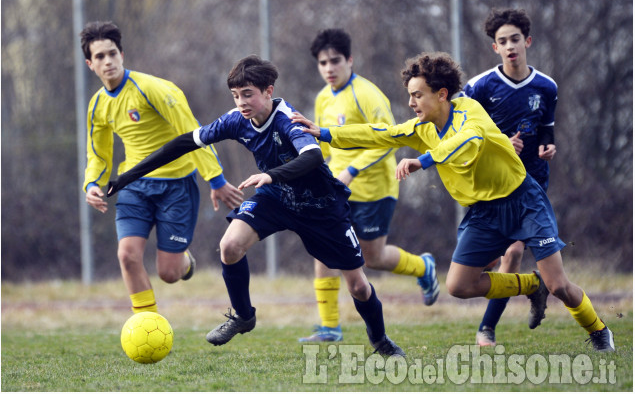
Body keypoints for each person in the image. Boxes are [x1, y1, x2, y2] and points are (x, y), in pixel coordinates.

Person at [291, 51, 615, 352]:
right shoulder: (422, 127)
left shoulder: (469, 111)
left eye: (418, 95)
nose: (411, 102)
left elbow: (468, 141)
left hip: (523, 201)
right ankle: (532, 285)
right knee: (458, 285)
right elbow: (381, 134)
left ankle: (599, 331)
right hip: (484, 213)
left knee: (559, 285)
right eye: (410, 95)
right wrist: (325, 133)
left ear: (442, 94)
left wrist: (424, 160)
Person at [106, 55, 406, 357]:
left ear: (268, 91)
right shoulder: (236, 120)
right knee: (230, 246)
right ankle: (243, 316)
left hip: (321, 206)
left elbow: (313, 157)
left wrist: (270, 174)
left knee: (358, 287)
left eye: (248, 94)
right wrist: (127, 177)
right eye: (236, 95)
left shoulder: (288, 118)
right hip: (276, 195)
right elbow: (185, 142)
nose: (241, 102)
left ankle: (380, 340)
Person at [80, 21, 243, 315]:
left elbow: (193, 132)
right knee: (127, 256)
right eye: (100, 57)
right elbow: (99, 154)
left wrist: (215, 179)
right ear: (90, 64)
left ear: (122, 55)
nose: (108, 61)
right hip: (135, 187)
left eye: (112, 53)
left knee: (168, 273)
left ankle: (184, 261)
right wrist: (92, 183)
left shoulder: (153, 89)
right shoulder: (97, 105)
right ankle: (148, 326)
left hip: (176, 187)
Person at [299, 29, 439, 343]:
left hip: (375, 190)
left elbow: (390, 139)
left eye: (335, 61)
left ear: (349, 59)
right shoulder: (323, 98)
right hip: (336, 191)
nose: (329, 68)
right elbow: (323, 144)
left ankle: (423, 267)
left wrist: (351, 169)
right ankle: (329, 327)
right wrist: (315, 172)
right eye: (322, 63)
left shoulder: (368, 94)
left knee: (372, 258)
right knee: (322, 250)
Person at [462, 8, 558, 346]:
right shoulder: (479, 87)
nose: (509, 46)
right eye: (502, 41)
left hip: (530, 183)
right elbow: (463, 135)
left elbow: (546, 129)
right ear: (495, 48)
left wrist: (547, 146)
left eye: (515, 39)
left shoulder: (546, 87)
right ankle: (533, 287)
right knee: (483, 263)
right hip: (491, 184)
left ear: (527, 41)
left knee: (513, 254)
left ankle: (486, 329)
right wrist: (501, 144)